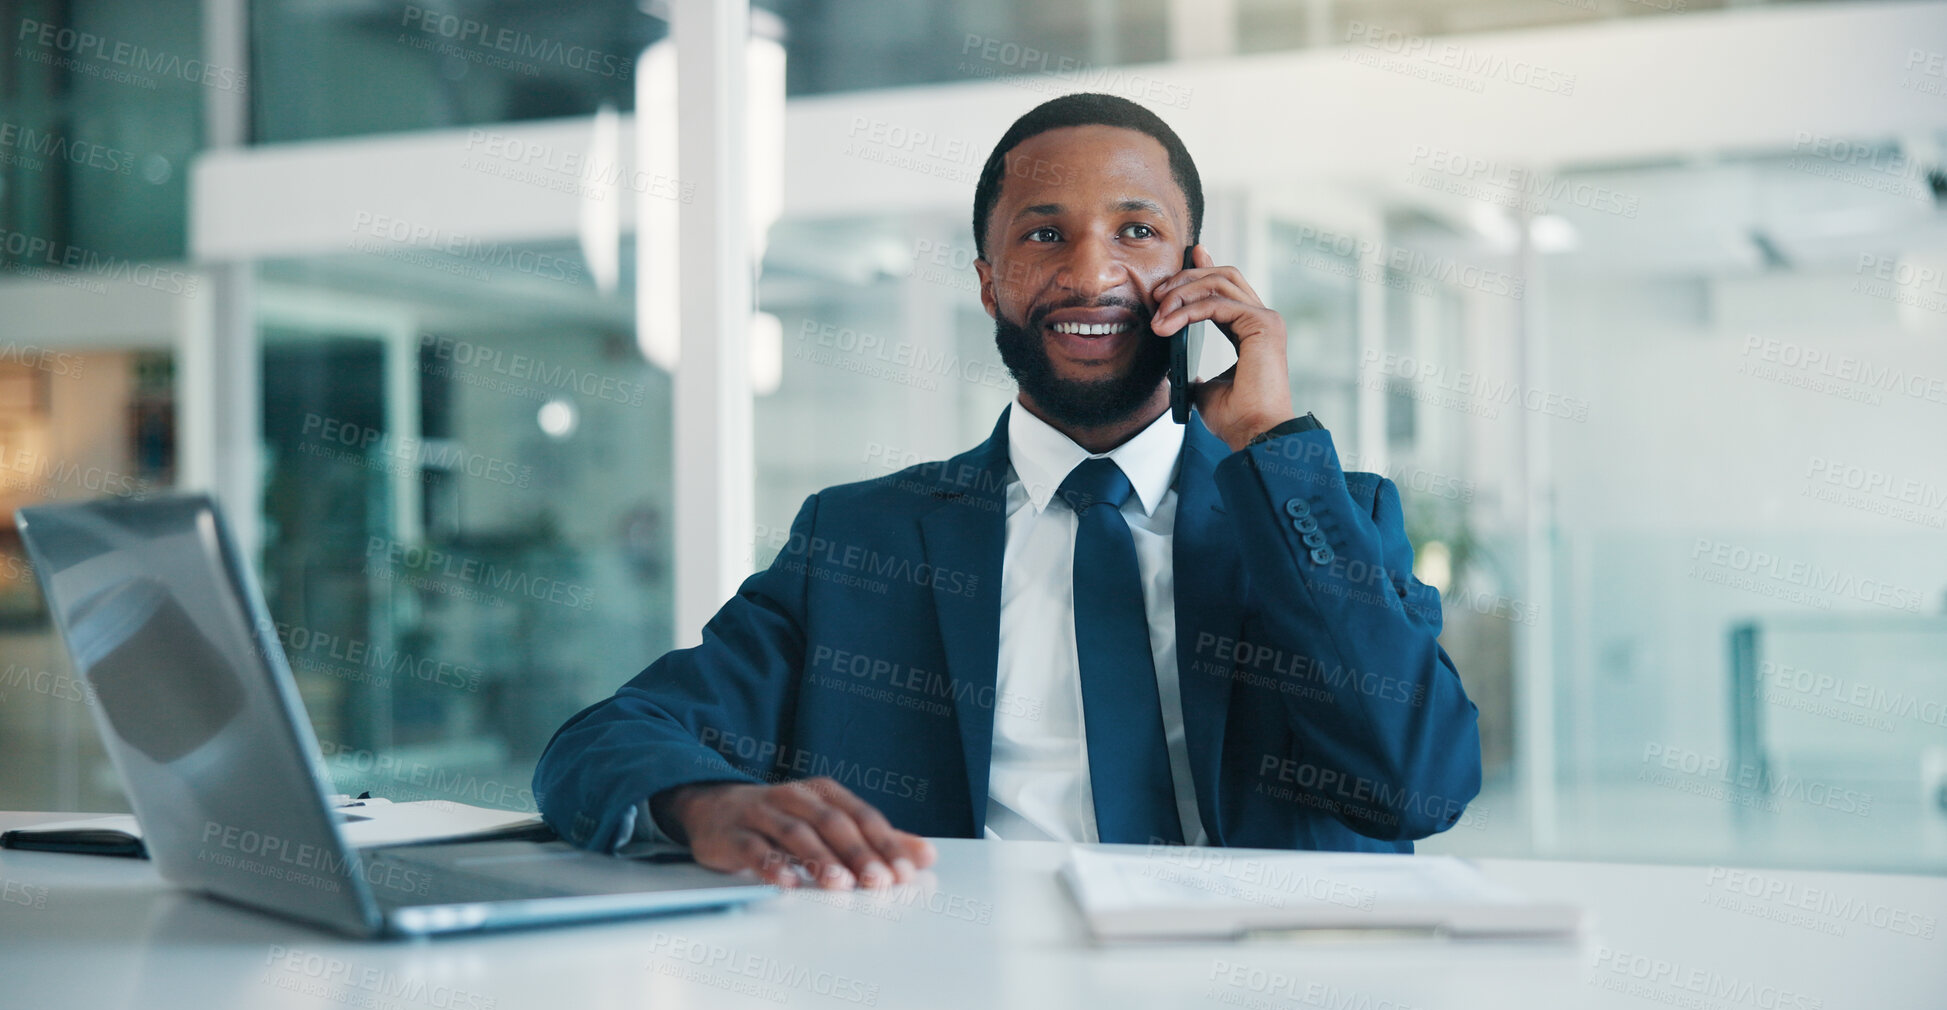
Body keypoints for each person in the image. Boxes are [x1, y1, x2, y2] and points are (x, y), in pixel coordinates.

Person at [533, 92, 1481, 891]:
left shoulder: (1322, 515)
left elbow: (1419, 783)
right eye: (1043, 235)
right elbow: (607, 739)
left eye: (1136, 231)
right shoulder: (860, 540)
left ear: (1196, 274)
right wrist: (711, 803)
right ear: (989, 285)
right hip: (962, 982)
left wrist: (1272, 447)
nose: (1090, 273)